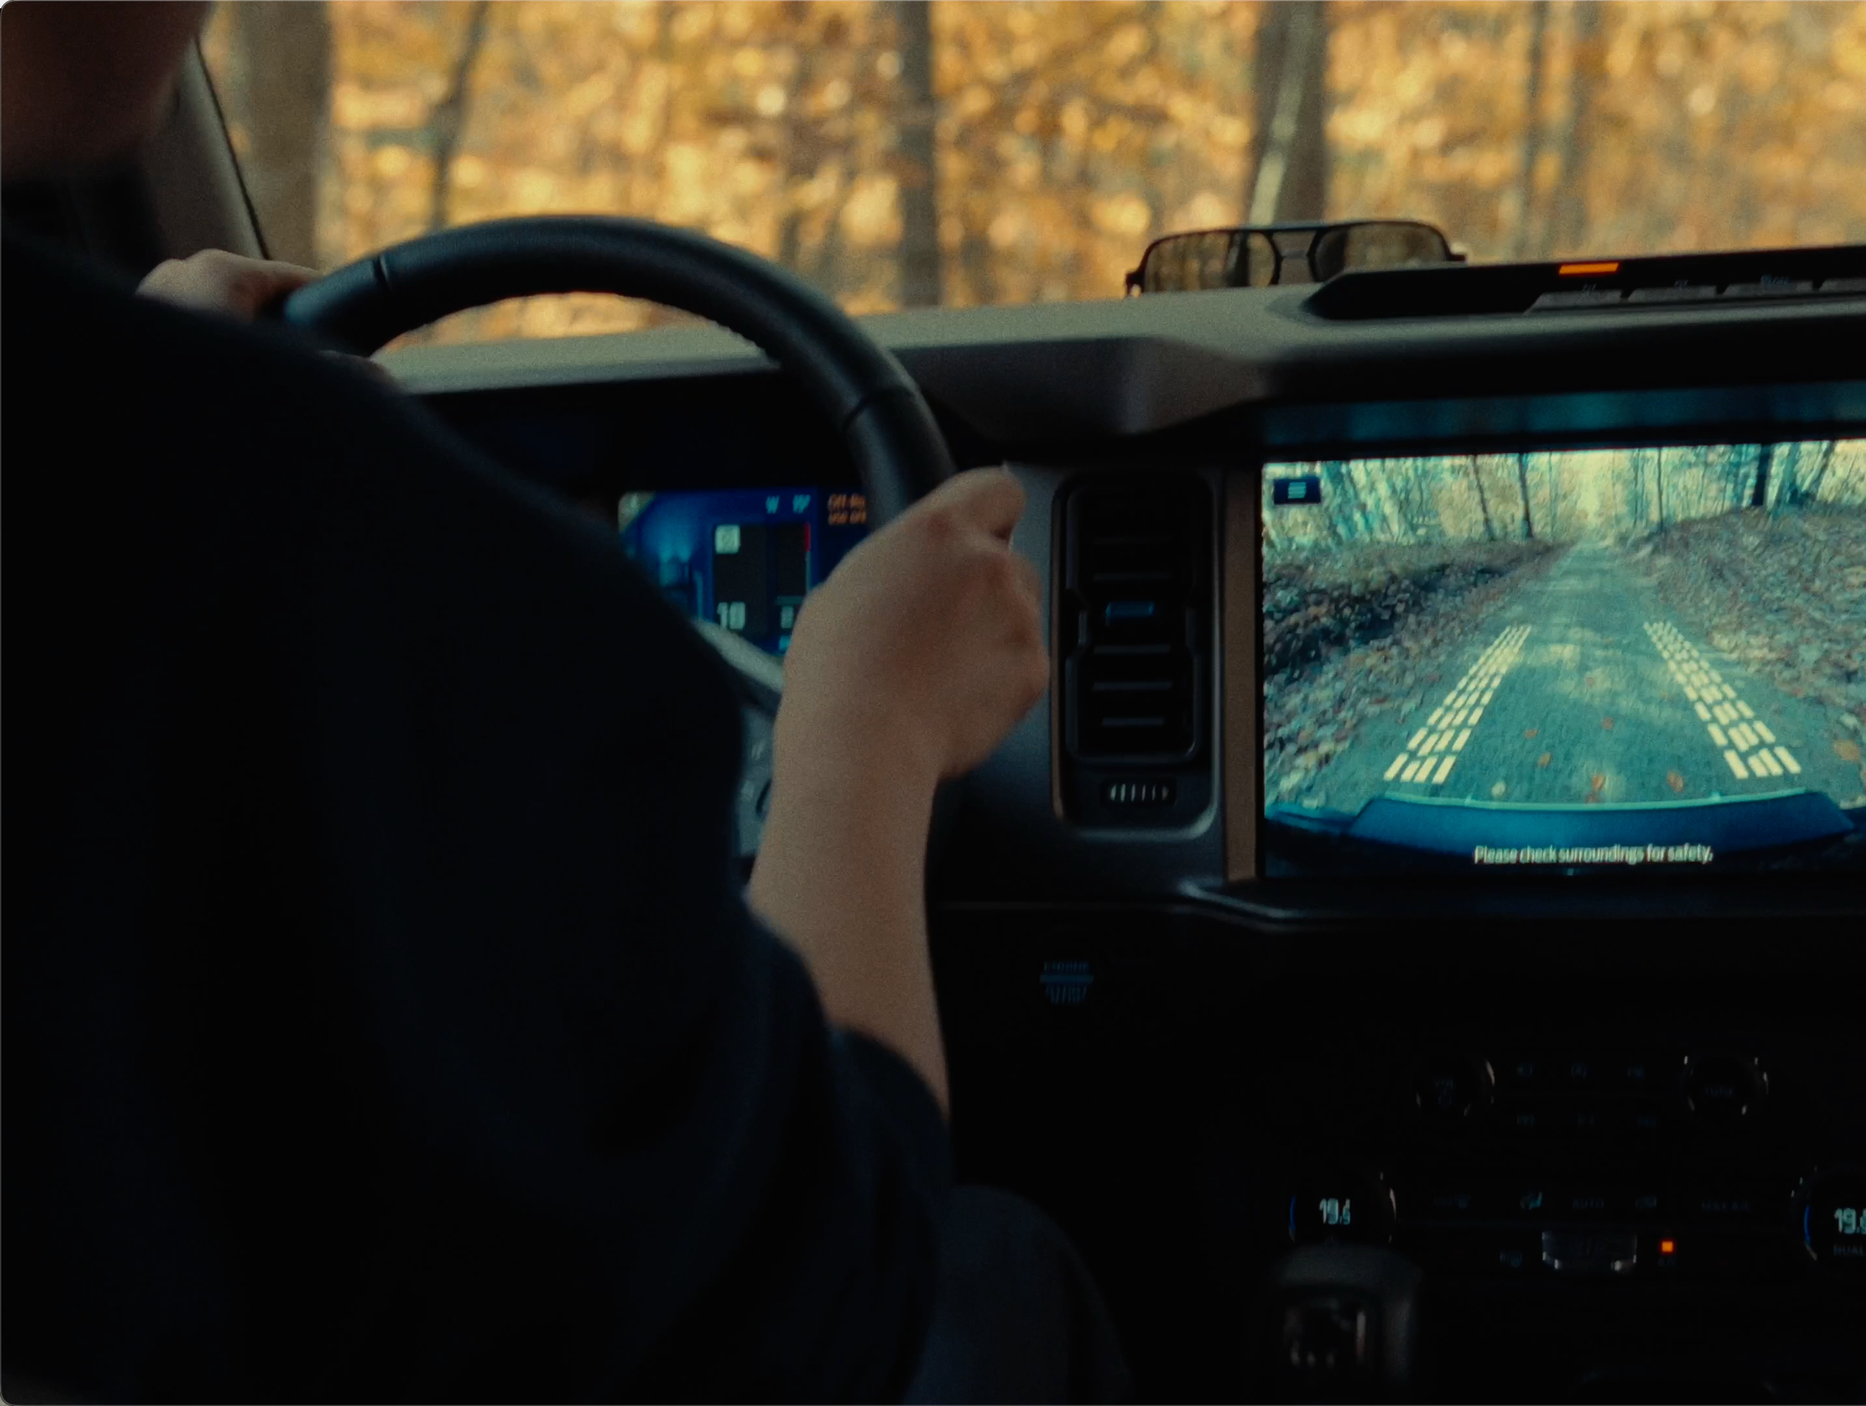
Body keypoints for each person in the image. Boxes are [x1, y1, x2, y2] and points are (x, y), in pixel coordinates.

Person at [1, 3, 1123, 1400]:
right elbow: (814, 1301)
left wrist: (168, 402)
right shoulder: (263, 526)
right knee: (993, 1262)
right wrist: (870, 731)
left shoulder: (143, 497)